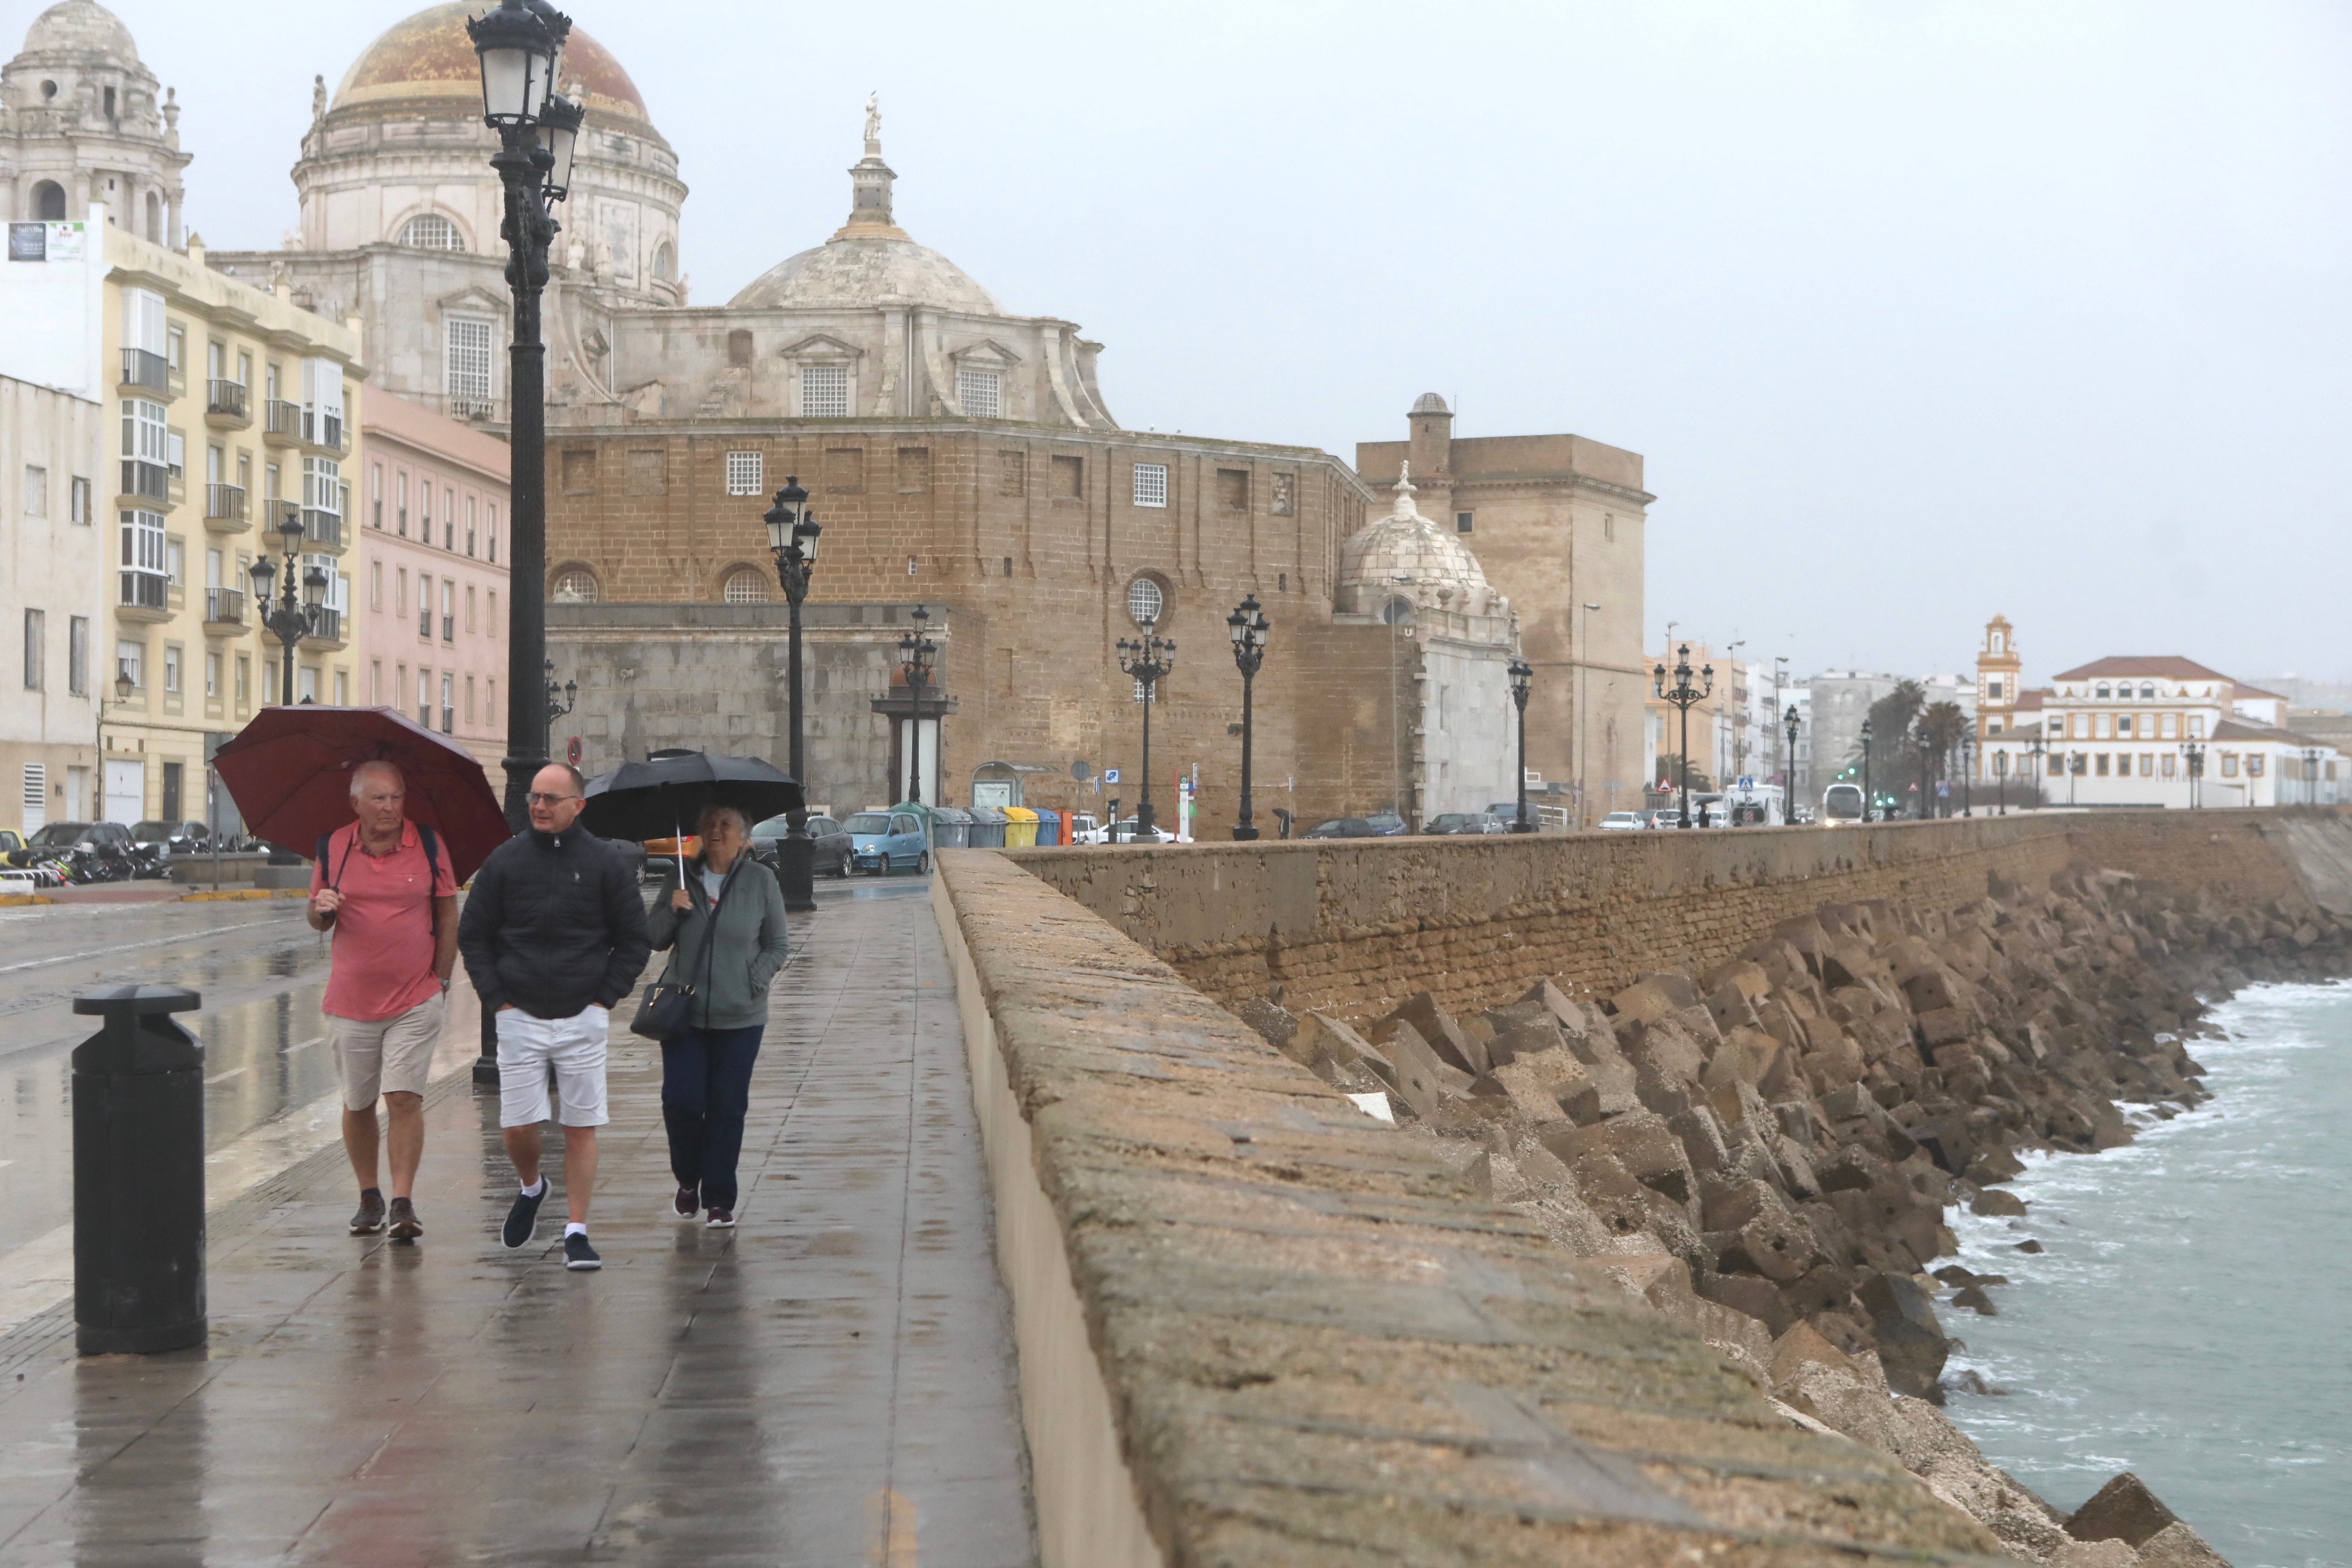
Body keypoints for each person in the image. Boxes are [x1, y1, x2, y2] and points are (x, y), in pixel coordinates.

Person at [457, 762, 650, 1271]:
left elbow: (635, 939)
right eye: (534, 797)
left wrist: (604, 999)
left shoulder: (606, 863)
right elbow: (473, 934)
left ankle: (577, 1230)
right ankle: (531, 1186)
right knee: (519, 1126)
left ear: (578, 806)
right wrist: (497, 998)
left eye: (551, 799)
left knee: (580, 1127)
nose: (539, 806)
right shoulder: (505, 861)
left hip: (582, 1015)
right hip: (519, 1014)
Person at [308, 760, 457, 1242]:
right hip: (351, 1002)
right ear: (356, 804)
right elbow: (317, 918)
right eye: (379, 798)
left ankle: (403, 1202)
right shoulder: (334, 847)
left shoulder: (428, 844)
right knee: (358, 1102)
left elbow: (447, 912)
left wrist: (441, 979)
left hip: (415, 997)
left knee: (403, 1098)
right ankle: (369, 1194)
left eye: (396, 797)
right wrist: (321, 909)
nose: (390, 807)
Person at [647, 802, 790, 1228]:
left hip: (741, 1018)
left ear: (743, 836)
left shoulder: (761, 881)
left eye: (725, 824)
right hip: (683, 1014)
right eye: (708, 823)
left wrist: (753, 981)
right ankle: (688, 1178)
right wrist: (672, 910)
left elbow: (777, 945)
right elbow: (653, 938)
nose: (715, 831)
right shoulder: (680, 878)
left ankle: (719, 1199)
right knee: (682, 1102)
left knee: (728, 1108)